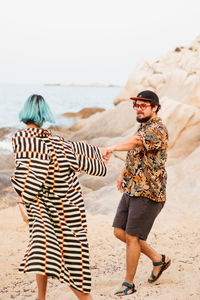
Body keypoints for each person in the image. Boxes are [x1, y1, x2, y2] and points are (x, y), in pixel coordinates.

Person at [11, 94, 108, 300]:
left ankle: (82, 298)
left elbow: (30, 173)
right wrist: (102, 152)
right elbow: (93, 162)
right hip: (69, 207)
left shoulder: (22, 139)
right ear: (45, 115)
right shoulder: (60, 142)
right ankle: (41, 297)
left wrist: (21, 201)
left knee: (51, 252)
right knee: (51, 251)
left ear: (25, 113)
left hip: (45, 206)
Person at [108, 90, 171, 296]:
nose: (138, 108)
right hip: (132, 188)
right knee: (120, 232)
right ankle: (158, 259)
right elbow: (137, 152)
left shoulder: (158, 129)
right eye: (136, 105)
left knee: (133, 236)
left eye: (144, 105)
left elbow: (135, 143)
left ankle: (128, 283)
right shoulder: (143, 126)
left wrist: (112, 147)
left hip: (148, 192)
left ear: (155, 107)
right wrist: (122, 174)